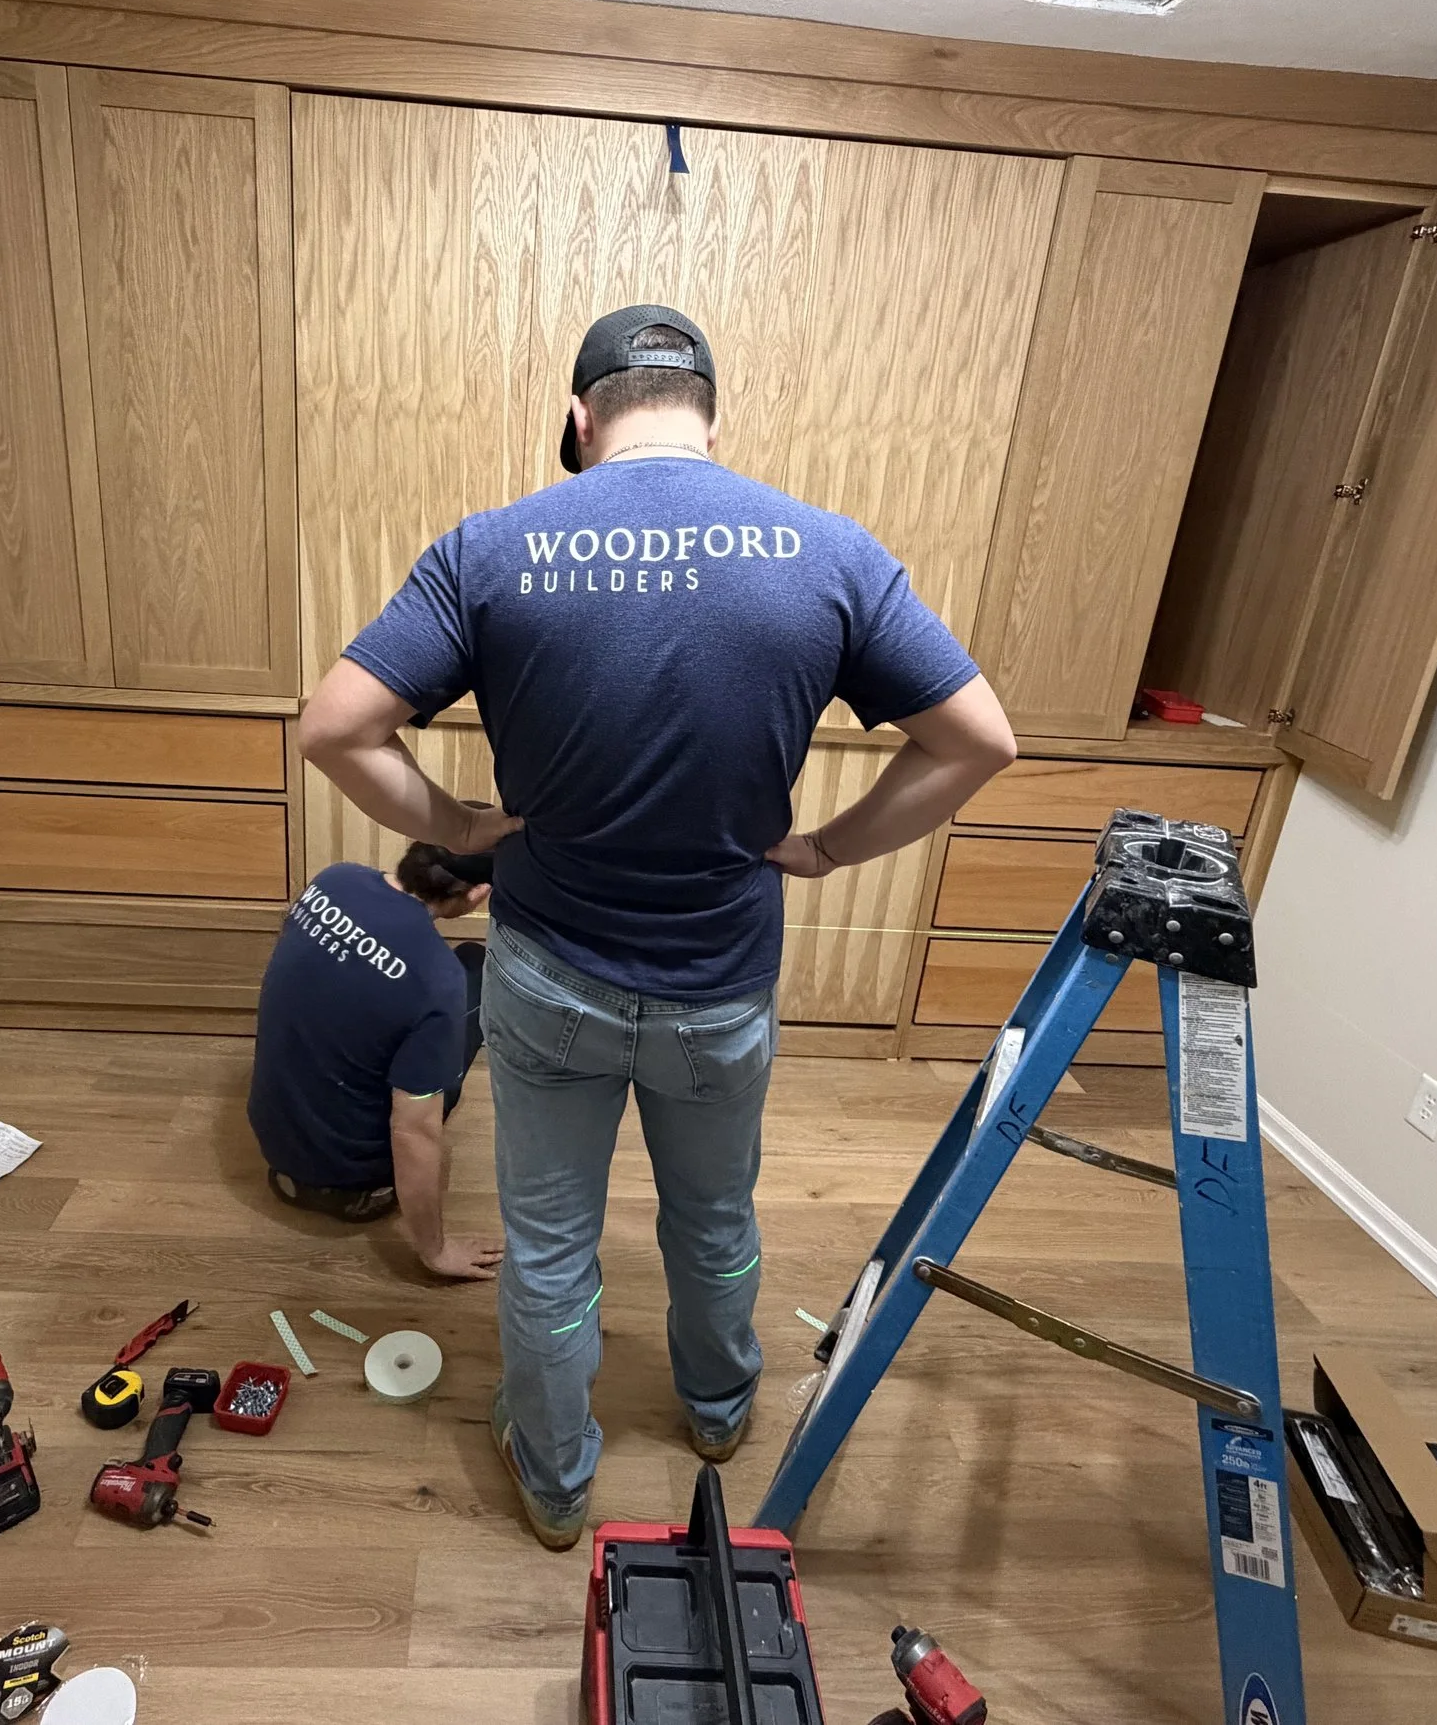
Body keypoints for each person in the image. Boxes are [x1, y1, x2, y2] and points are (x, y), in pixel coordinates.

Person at [299, 304, 1017, 1547]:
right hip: (718, 984)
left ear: (582, 419)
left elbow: (333, 729)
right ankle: (719, 1404)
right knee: (715, 1218)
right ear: (710, 420)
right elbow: (979, 742)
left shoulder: (491, 548)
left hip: (549, 977)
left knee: (547, 1245)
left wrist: (466, 829)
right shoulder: (828, 552)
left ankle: (556, 1473)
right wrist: (828, 849)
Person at [246, 841, 505, 1283]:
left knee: (458, 969)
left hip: (272, 1143)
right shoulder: (436, 980)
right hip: (352, 1184)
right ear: (478, 893)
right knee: (476, 973)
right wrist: (436, 1251)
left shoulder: (334, 880)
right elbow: (414, 1131)